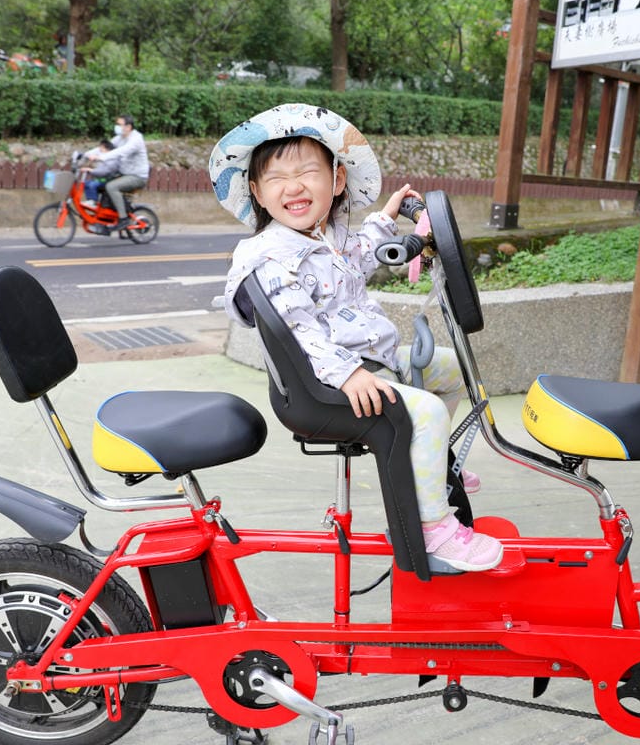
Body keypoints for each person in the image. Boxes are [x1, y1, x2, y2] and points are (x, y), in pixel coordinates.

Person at [212, 104, 502, 572]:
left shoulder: (327, 235)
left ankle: (430, 463)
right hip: (318, 387)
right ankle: (433, 528)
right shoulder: (271, 257)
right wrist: (346, 375)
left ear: (338, 181)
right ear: (256, 193)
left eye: (308, 172)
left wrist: (387, 222)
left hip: (366, 365)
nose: (294, 187)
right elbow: (296, 328)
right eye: (276, 178)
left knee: (450, 368)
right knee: (425, 410)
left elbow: (363, 255)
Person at [94, 114, 148, 229]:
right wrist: (85, 155)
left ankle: (123, 219)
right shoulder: (121, 137)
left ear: (128, 127)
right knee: (101, 184)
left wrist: (103, 157)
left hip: (137, 177)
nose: (116, 127)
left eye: (119, 124)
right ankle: (105, 219)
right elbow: (105, 147)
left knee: (112, 187)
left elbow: (121, 151)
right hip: (124, 174)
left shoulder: (136, 139)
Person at [81, 139, 119, 204]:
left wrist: (90, 170)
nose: (99, 149)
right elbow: (87, 154)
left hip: (107, 180)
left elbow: (103, 171)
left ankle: (93, 201)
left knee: (92, 184)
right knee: (86, 183)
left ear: (106, 148)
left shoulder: (112, 159)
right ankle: (90, 200)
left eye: (101, 148)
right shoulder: (104, 156)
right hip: (101, 178)